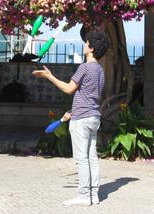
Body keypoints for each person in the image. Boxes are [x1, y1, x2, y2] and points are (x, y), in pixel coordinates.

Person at [33, 32, 109, 206]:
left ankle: (84, 195)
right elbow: (91, 96)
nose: (84, 45)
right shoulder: (100, 70)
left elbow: (69, 89)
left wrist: (49, 76)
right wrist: (75, 110)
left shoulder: (84, 67)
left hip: (82, 119)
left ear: (91, 48)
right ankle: (94, 194)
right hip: (93, 117)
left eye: (86, 42)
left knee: (82, 158)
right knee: (92, 157)